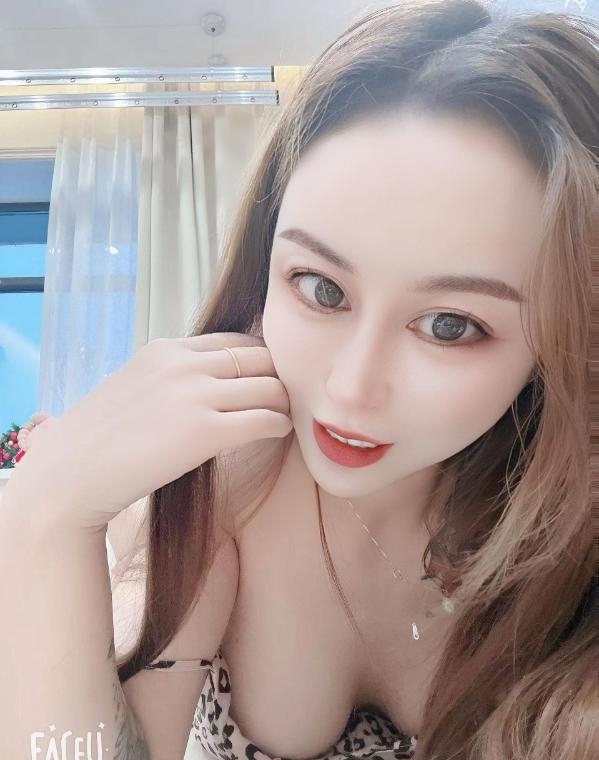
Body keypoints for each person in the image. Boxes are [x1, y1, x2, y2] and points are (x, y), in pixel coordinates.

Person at [2, 1, 598, 759]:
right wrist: (45, 513)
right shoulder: (215, 485)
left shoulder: (568, 524)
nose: (349, 389)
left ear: (564, 336)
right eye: (320, 288)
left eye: (450, 325)